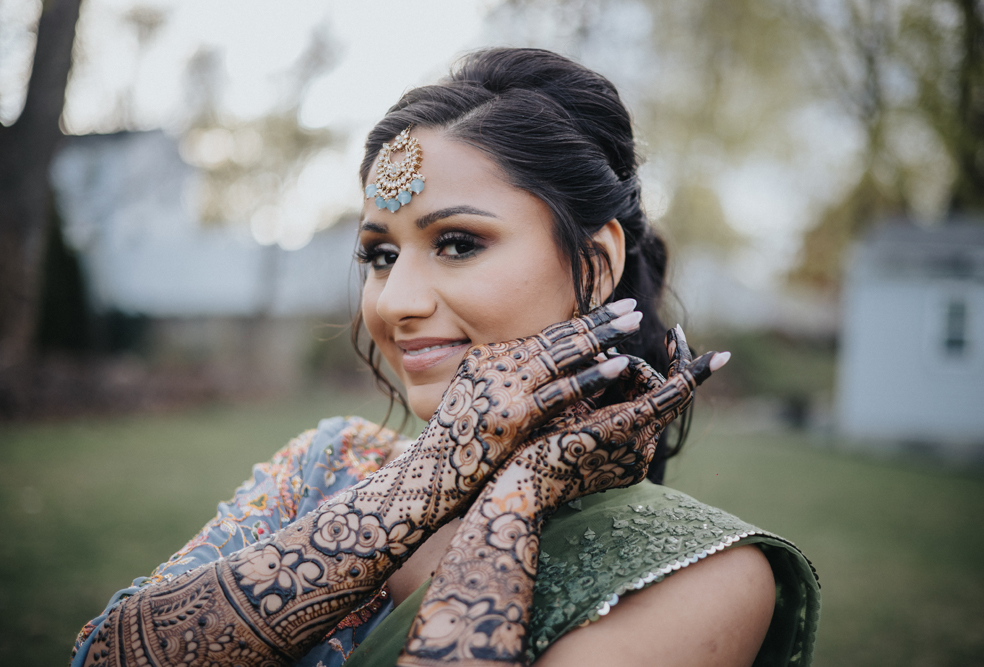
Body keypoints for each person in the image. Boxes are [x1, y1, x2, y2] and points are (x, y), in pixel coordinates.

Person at [71, 48, 819, 667]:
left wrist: (516, 494)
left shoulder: (703, 576)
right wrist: (430, 480)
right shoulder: (332, 464)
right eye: (379, 254)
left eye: (457, 243)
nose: (394, 300)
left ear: (593, 266)